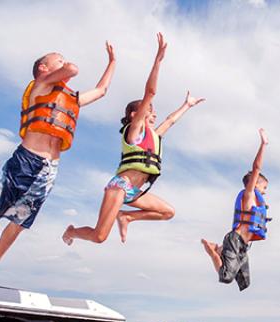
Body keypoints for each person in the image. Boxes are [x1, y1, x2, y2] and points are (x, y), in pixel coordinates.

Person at [0, 42, 117, 291]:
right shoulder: (40, 87)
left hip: (49, 170)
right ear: (44, 68)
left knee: (19, 223)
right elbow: (72, 70)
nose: (64, 63)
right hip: (26, 162)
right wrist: (66, 67)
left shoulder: (70, 98)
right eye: (58, 60)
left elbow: (102, 90)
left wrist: (112, 62)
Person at [62, 33, 204, 245]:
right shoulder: (134, 130)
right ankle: (71, 231)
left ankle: (126, 216)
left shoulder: (154, 136)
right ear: (134, 115)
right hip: (120, 187)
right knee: (99, 236)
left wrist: (187, 105)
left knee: (168, 212)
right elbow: (151, 91)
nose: (153, 114)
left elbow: (170, 120)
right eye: (149, 111)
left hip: (135, 192)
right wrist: (157, 61)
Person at [201, 128, 270, 291]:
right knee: (226, 277)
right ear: (255, 184)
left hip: (243, 245)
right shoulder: (249, 194)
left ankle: (219, 249)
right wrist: (263, 145)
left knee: (245, 283)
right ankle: (213, 252)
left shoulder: (257, 201)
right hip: (235, 240)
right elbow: (257, 168)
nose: (265, 191)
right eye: (264, 187)